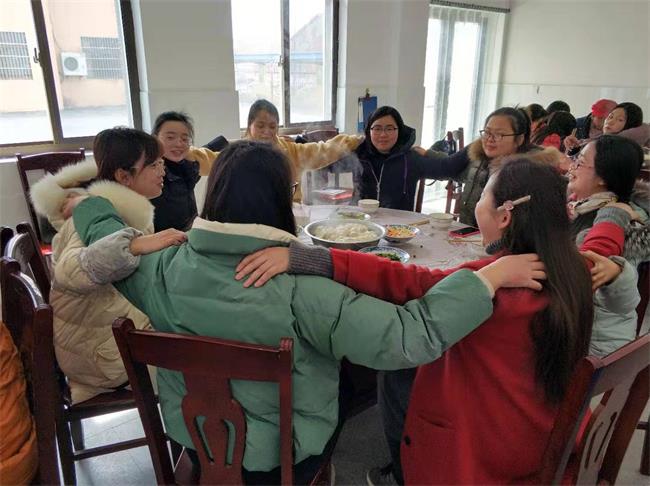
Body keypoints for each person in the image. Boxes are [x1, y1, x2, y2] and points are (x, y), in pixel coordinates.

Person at [69, 140, 544, 485]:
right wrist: (485, 279)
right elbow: (410, 338)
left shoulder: (160, 267)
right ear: (282, 199)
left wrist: (100, 211)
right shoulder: (303, 290)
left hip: (193, 440)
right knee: (351, 382)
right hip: (285, 461)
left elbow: (100, 227)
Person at [234, 158, 629, 484]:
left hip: (477, 456)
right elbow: (603, 241)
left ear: (505, 215)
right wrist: (614, 215)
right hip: (547, 439)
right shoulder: (579, 268)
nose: (478, 202)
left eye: (484, 194)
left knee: (395, 369)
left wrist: (311, 257)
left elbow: (411, 282)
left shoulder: (496, 281)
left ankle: (401, 472)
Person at [30, 127, 186, 403]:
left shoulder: (107, 209)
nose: (162, 170)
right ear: (124, 177)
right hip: (101, 356)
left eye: (161, 163)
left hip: (104, 335)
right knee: (205, 362)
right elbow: (69, 270)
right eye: (153, 165)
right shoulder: (91, 222)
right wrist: (132, 245)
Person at [567, 135, 646, 356]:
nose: (572, 166)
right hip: (571, 325)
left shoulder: (617, 223)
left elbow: (620, 299)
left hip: (593, 342)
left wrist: (616, 274)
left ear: (603, 177)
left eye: (580, 162)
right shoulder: (578, 206)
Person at [198, 99, 363, 202]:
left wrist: (352, 141)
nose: (267, 132)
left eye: (272, 126)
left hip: (289, 214)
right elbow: (208, 159)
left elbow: (322, 150)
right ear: (249, 125)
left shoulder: (289, 150)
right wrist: (185, 153)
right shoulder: (237, 153)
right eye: (260, 126)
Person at [440, 107, 564, 225]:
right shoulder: (480, 159)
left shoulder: (531, 174)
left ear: (519, 139)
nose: (490, 139)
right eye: (487, 132)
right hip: (469, 234)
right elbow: (447, 168)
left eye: (499, 134)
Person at [356, 106, 465, 210]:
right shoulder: (359, 156)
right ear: (369, 131)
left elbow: (447, 168)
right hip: (360, 220)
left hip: (400, 222)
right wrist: (345, 148)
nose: (383, 135)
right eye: (377, 129)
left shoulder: (411, 159)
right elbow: (341, 165)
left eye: (389, 129)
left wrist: (429, 153)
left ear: (399, 130)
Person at [150, 111, 202, 231]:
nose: (179, 144)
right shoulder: (150, 174)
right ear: (154, 138)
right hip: (163, 240)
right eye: (170, 137)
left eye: (184, 139)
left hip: (189, 236)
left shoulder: (188, 168)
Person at [565, 102, 646, 152]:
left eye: (620, 120)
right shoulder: (601, 141)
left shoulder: (618, 149)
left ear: (631, 125)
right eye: (610, 117)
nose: (610, 122)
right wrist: (575, 147)